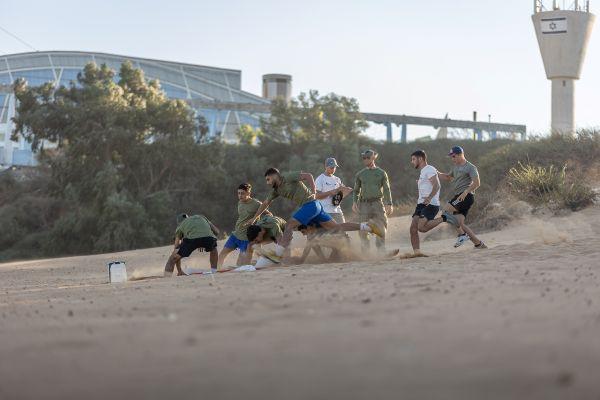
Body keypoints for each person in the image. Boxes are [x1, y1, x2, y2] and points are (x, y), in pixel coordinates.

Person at [249, 168, 383, 263]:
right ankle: (368, 227)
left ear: (275, 176)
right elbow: (265, 203)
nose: (267, 182)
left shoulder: (287, 177)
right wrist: (255, 218)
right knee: (336, 227)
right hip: (315, 207)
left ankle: (278, 254)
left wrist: (313, 191)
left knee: (290, 224)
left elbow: (308, 176)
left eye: (268, 179)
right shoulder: (275, 191)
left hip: (311, 204)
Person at [438, 146, 487, 249]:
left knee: (445, 211)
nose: (452, 159)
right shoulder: (455, 167)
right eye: (451, 157)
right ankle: (479, 244)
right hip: (459, 196)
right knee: (460, 223)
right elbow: (447, 177)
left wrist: (466, 192)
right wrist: (435, 172)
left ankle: (462, 235)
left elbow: (477, 183)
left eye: (454, 156)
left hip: (466, 196)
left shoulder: (470, 167)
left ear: (460, 154)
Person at [217, 183, 269, 270]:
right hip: (236, 234)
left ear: (249, 193)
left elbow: (268, 214)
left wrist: (256, 223)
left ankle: (256, 262)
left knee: (242, 265)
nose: (240, 195)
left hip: (246, 238)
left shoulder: (256, 204)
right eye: (239, 193)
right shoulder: (240, 202)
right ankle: (217, 270)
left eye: (242, 193)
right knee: (222, 254)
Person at [352, 149, 393, 251]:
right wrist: (354, 202)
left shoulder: (381, 173)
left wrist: (389, 203)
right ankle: (365, 251)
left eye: (368, 158)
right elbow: (356, 190)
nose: (365, 160)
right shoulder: (360, 174)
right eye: (364, 158)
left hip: (377, 203)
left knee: (382, 224)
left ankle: (381, 250)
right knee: (362, 228)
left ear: (373, 158)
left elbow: (387, 189)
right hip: (364, 204)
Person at [409, 150, 441, 256]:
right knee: (413, 228)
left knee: (421, 228)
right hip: (421, 204)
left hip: (430, 204)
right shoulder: (423, 171)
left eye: (413, 159)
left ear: (420, 159)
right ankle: (417, 253)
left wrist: (429, 197)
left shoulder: (429, 169)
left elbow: (437, 185)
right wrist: (420, 182)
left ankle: (444, 218)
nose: (412, 161)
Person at [314, 157, 353, 224]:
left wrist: (346, 191)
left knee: (342, 231)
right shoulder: (320, 179)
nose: (333, 169)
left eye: (335, 167)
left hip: (337, 211)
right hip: (325, 211)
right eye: (331, 167)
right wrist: (331, 192)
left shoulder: (337, 179)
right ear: (326, 166)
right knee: (325, 234)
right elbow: (316, 196)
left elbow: (339, 197)